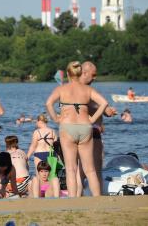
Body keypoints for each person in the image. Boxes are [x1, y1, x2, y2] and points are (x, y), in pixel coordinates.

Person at [46, 61, 108, 197]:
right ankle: (97, 199)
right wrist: (92, 119)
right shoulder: (88, 89)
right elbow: (104, 103)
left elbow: (48, 103)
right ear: (80, 73)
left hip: (67, 127)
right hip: (85, 127)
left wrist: (56, 118)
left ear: (68, 74)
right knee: (90, 169)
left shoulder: (61, 89)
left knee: (71, 169)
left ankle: (73, 200)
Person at [77, 61, 117, 195]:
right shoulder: (86, 90)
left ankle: (77, 198)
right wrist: (104, 109)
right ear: (84, 73)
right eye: (93, 75)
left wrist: (106, 110)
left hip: (76, 134)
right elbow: (90, 105)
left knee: (80, 170)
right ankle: (98, 198)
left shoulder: (70, 88)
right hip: (91, 133)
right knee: (95, 169)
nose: (95, 78)